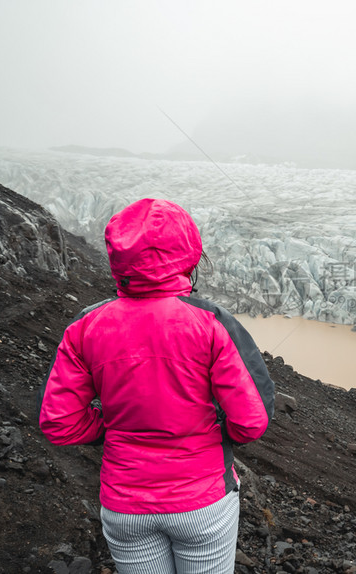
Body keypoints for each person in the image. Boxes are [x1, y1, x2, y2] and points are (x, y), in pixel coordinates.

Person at [38, 198, 275, 574]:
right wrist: (215, 432)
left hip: (124, 505)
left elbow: (58, 422)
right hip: (202, 502)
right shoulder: (211, 322)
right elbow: (252, 420)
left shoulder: (86, 325)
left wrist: (109, 426)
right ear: (186, 252)